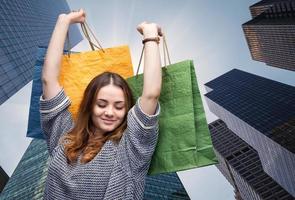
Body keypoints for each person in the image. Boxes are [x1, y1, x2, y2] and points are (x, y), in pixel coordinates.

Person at [40, 9, 162, 200]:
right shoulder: (64, 136)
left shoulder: (130, 149)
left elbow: (151, 95)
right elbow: (48, 80)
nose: (110, 112)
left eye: (119, 106)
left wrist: (150, 35)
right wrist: (64, 22)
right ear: (89, 105)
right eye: (102, 104)